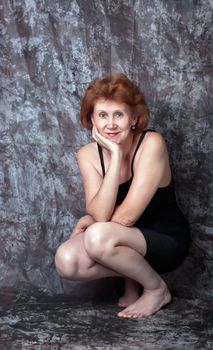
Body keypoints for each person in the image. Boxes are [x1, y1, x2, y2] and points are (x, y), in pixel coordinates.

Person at [55, 73, 190, 318]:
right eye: (102, 115)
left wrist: (95, 223)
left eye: (119, 114)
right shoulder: (87, 155)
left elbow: (126, 218)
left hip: (165, 240)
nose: (111, 124)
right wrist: (115, 157)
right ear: (92, 119)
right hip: (120, 240)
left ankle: (156, 288)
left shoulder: (151, 143)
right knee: (66, 260)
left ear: (134, 118)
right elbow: (99, 213)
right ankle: (134, 280)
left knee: (96, 236)